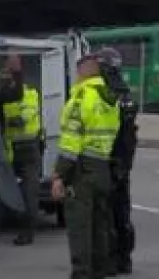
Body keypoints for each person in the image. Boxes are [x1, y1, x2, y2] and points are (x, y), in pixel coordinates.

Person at [51, 53, 121, 279]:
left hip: (83, 170)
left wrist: (59, 175)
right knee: (99, 224)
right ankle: (100, 269)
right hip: (103, 166)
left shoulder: (81, 99)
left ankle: (82, 272)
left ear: (82, 72)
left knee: (80, 226)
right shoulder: (110, 99)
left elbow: (71, 142)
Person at [98, 47, 139, 275]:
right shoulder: (126, 93)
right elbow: (131, 134)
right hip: (124, 161)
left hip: (107, 158)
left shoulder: (104, 92)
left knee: (106, 214)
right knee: (122, 212)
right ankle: (125, 259)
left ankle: (112, 259)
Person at [0, 54, 42, 247]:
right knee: (27, 191)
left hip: (17, 148)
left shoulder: (3, 96)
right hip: (27, 147)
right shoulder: (32, 94)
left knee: (6, 188)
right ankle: (26, 230)